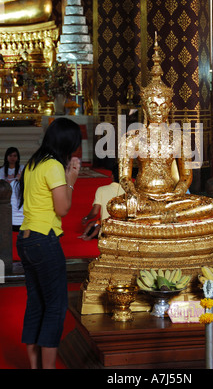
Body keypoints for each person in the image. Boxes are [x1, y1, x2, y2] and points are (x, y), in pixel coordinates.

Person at [107, 36, 213, 223]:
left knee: (210, 205)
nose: (158, 110)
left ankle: (159, 216)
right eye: (153, 105)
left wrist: (176, 194)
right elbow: (124, 177)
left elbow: (186, 177)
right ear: (144, 108)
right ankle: (166, 217)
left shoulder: (179, 137)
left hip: (171, 199)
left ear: (169, 107)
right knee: (115, 207)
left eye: (163, 105)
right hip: (143, 197)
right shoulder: (131, 137)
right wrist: (134, 194)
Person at [16, 117, 81, 369]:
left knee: (36, 303)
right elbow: (62, 209)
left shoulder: (34, 162)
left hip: (26, 239)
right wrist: (71, 181)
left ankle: (35, 367)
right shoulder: (53, 165)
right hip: (44, 240)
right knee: (55, 306)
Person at [79, 164, 125, 240]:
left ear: (112, 176)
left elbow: (94, 212)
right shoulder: (129, 192)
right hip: (123, 228)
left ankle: (88, 236)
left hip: (106, 227)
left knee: (95, 227)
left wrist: (86, 218)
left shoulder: (101, 189)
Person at [0, 147, 24, 231]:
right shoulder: (1, 170)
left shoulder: (22, 168)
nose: (12, 158)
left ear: (18, 157)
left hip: (18, 198)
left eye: (15, 156)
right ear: (6, 157)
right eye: (10, 155)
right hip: (6, 199)